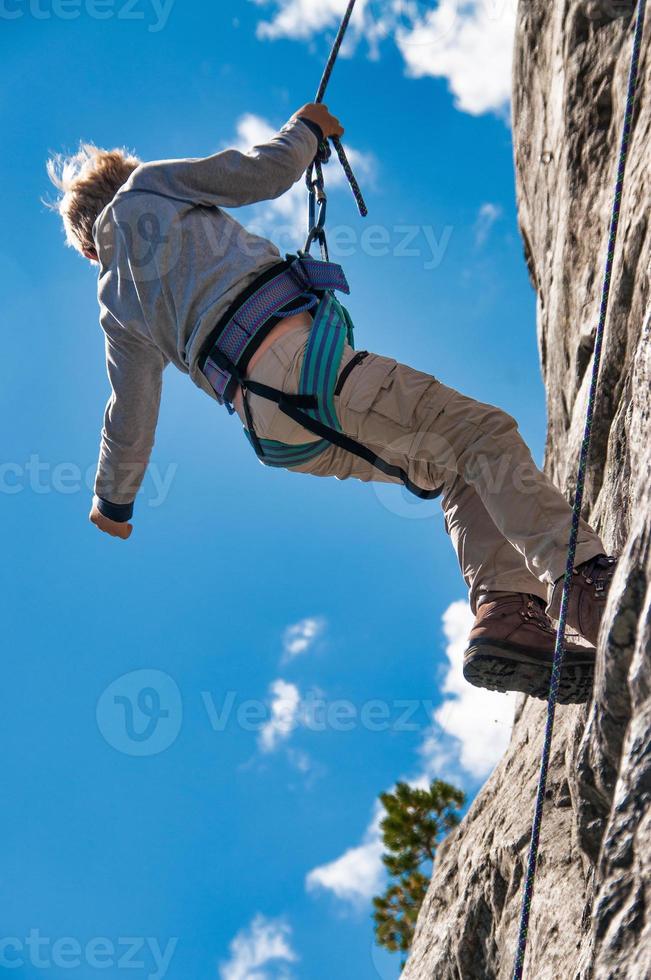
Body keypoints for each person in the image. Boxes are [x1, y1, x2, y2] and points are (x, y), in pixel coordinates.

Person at [47, 102, 616, 703]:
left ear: (89, 249)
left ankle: (507, 614)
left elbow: (129, 411)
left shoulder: (113, 300)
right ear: (123, 174)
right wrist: (306, 131)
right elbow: (259, 174)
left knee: (456, 470)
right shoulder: (147, 187)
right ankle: (585, 584)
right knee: (483, 435)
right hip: (305, 365)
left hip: (275, 429)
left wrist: (114, 499)